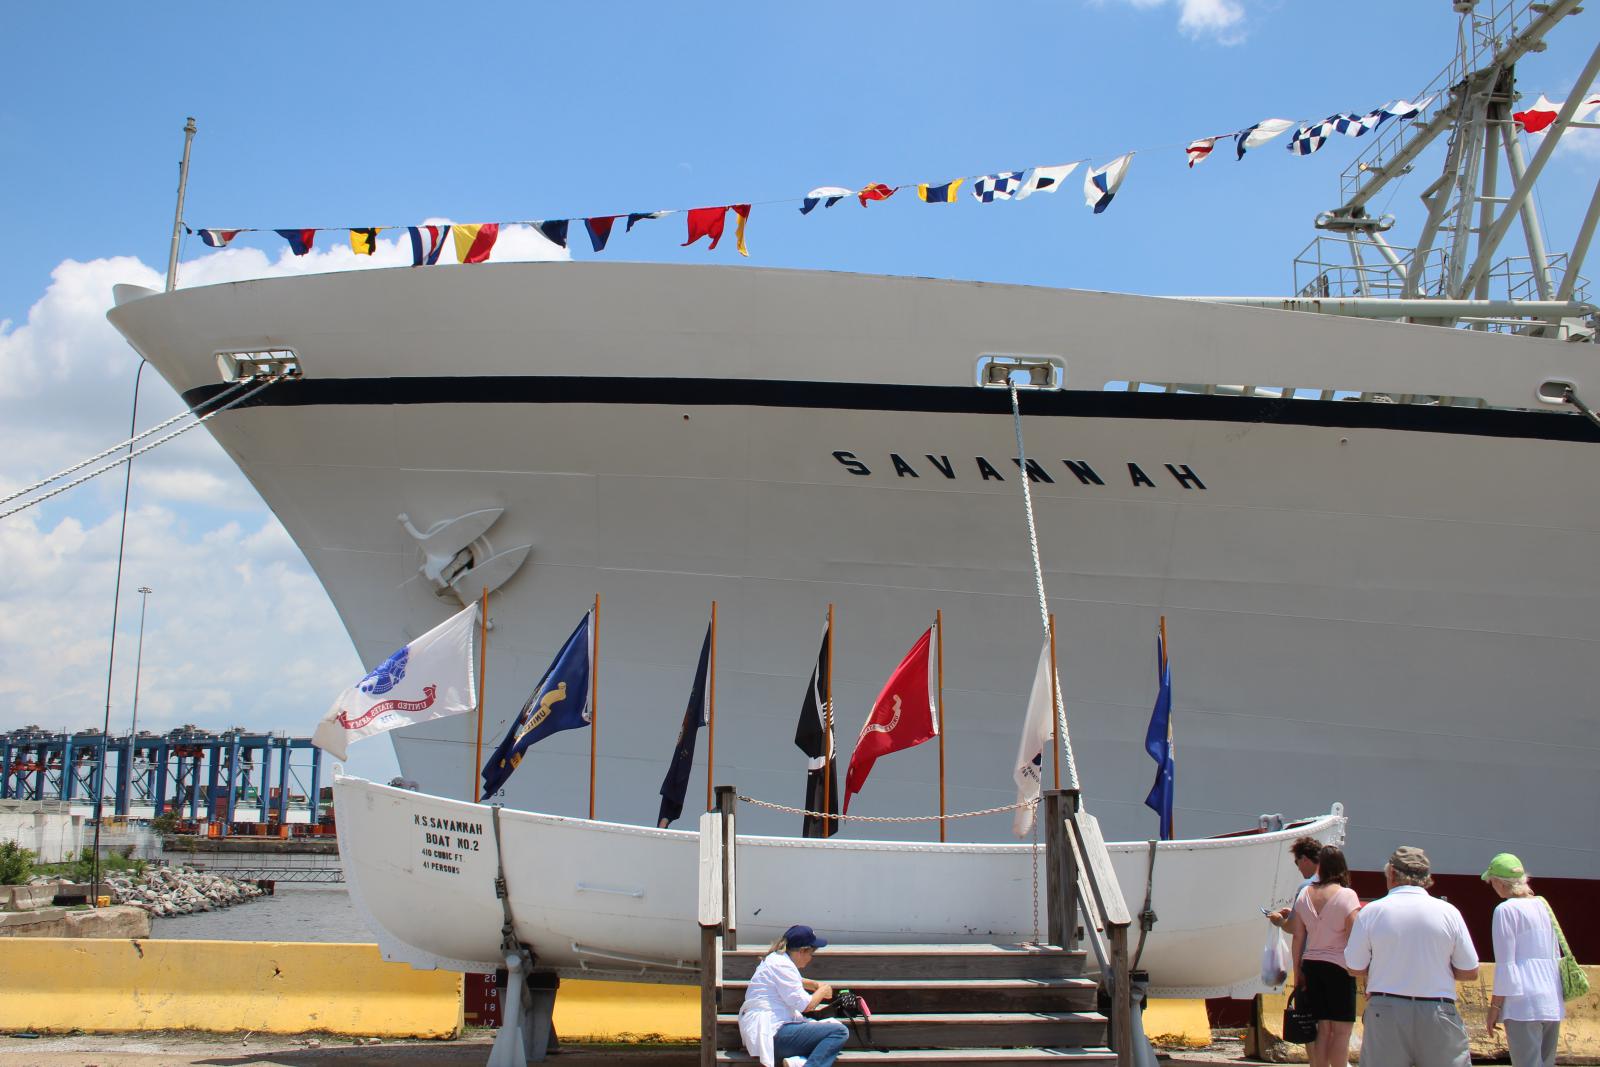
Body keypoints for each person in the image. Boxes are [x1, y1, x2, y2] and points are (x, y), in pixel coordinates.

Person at [1345, 846, 1479, 1067]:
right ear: (1426, 877)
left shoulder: (1372, 911)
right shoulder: (1449, 912)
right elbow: (1469, 971)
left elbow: (1354, 966)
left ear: (1391, 873)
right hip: (1438, 1010)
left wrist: (1382, 968)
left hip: (1386, 1009)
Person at [1481, 853, 1563, 1067]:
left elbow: (1506, 965)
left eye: (1492, 882)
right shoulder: (1543, 905)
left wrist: (1495, 1007)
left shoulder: (1505, 910)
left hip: (1522, 1003)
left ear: (1500, 883)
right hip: (1552, 999)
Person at [1288, 844, 1361, 1067]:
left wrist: (1297, 972)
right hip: (1339, 967)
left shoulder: (1304, 894)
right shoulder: (1347, 895)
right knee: (1341, 1031)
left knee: (1322, 1028)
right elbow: (1354, 935)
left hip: (1311, 965)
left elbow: (1298, 937)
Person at [738, 925, 848, 1067]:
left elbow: (792, 980)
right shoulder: (782, 965)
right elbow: (806, 1006)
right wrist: (822, 991)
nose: (811, 958)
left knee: (827, 1033)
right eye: (811, 953)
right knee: (839, 1032)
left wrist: (814, 984)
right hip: (773, 1035)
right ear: (802, 951)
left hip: (768, 1032)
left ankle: (796, 1062)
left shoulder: (776, 959)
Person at [1269, 836, 1323, 929]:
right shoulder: (1335, 882)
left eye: (1297, 862)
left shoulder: (1306, 887)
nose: (1298, 868)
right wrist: (1295, 914)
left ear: (1304, 859)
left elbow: (1294, 927)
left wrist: (1279, 920)